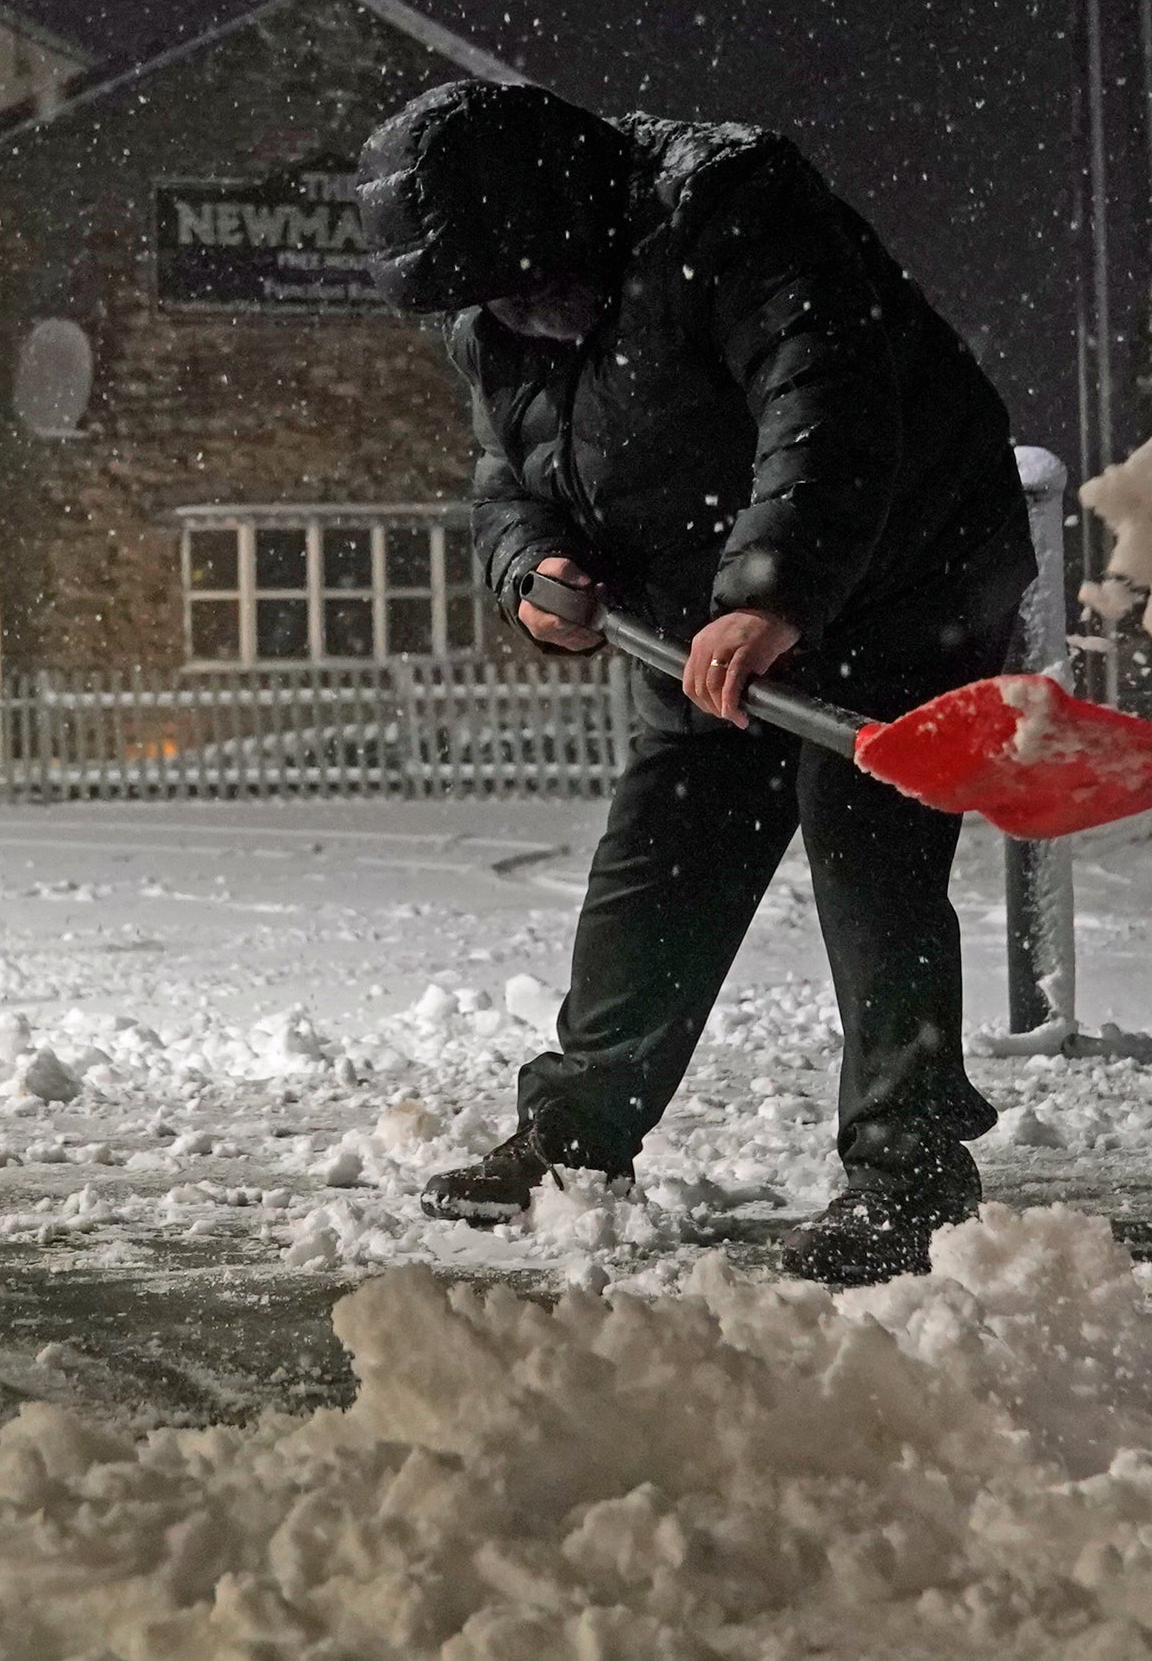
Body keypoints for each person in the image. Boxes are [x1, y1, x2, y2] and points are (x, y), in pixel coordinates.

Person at [356, 78, 1037, 1286]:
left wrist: (772, 589)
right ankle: (573, 1141)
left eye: (519, 278)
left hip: (901, 567)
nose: (509, 310)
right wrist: (534, 563)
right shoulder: (495, 316)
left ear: (561, 210)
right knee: (664, 845)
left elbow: (822, 393)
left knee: (866, 838)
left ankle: (909, 1173)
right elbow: (506, 473)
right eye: (480, 295)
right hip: (701, 608)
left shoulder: (727, 205)